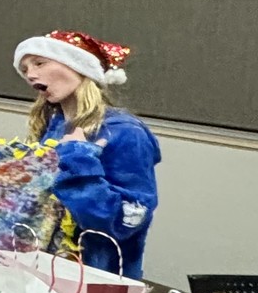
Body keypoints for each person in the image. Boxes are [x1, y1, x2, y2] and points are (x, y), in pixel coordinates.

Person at [16, 30, 160, 278]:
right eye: (25, 68)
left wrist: (78, 161)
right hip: (45, 272)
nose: (30, 74)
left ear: (78, 66)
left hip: (96, 280)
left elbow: (126, 220)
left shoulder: (125, 132)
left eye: (39, 63)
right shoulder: (53, 127)